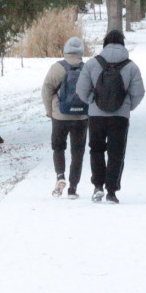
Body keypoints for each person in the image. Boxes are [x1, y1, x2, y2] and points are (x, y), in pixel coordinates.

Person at [74, 29, 144, 203]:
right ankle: (111, 191)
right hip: (120, 117)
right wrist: (127, 106)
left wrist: (92, 101)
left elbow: (81, 89)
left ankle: (98, 186)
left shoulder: (92, 64)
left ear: (105, 44)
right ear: (122, 44)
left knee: (96, 149)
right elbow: (139, 92)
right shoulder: (131, 67)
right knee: (116, 153)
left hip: (96, 116)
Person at [40, 36, 88, 199]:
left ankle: (60, 176)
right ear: (81, 52)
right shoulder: (87, 69)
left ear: (66, 50)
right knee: (78, 153)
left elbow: (46, 90)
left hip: (60, 116)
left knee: (58, 147)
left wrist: (50, 111)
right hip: (81, 117)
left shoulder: (57, 68)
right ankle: (73, 189)